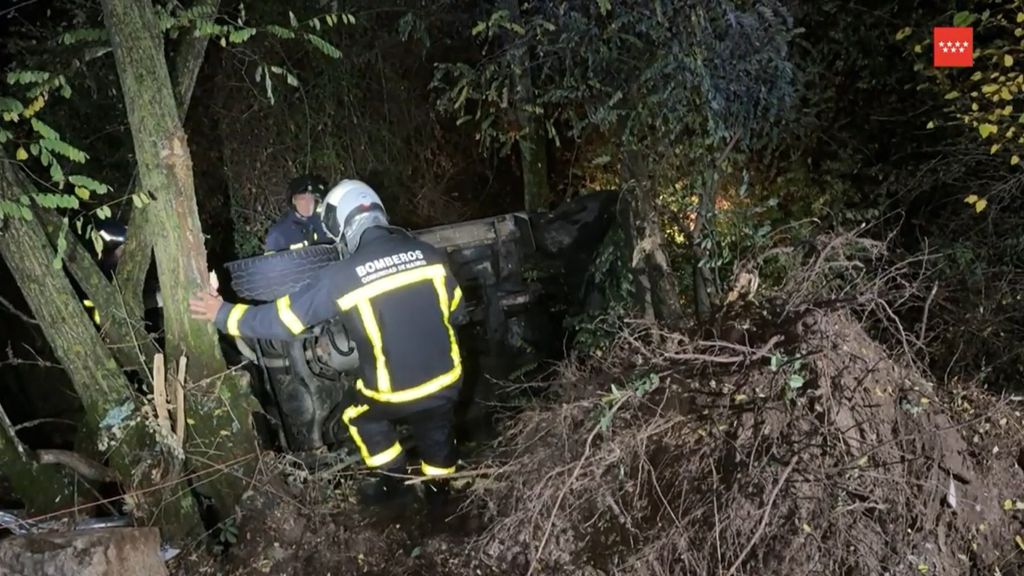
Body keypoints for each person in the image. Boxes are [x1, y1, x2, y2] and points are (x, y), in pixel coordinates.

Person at [189, 179, 468, 510]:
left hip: (395, 394)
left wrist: (222, 313)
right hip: (448, 382)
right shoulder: (431, 256)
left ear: (344, 226)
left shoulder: (342, 276)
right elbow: (456, 311)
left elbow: (283, 321)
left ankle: (395, 483)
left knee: (359, 415)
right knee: (436, 426)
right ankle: (441, 496)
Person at [264, 174, 330, 253]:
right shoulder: (278, 234)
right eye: (302, 199)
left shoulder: (324, 224)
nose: (307, 203)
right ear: (293, 201)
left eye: (311, 198)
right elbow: (273, 263)